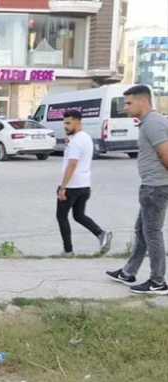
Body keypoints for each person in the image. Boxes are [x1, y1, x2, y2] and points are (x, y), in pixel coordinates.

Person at [107, 84, 168, 295]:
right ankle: (128, 272)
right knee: (141, 230)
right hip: (151, 186)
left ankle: (158, 281)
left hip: (155, 187)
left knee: (152, 232)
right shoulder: (149, 122)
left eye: (129, 103)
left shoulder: (153, 123)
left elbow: (166, 155)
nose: (125, 107)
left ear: (143, 101)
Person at [56, 109, 112, 257]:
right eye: (64, 123)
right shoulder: (86, 137)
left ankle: (68, 251)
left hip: (71, 186)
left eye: (68, 123)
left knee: (61, 216)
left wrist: (63, 187)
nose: (65, 126)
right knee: (79, 215)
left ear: (78, 122)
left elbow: (72, 165)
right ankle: (101, 234)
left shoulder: (76, 141)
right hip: (84, 185)